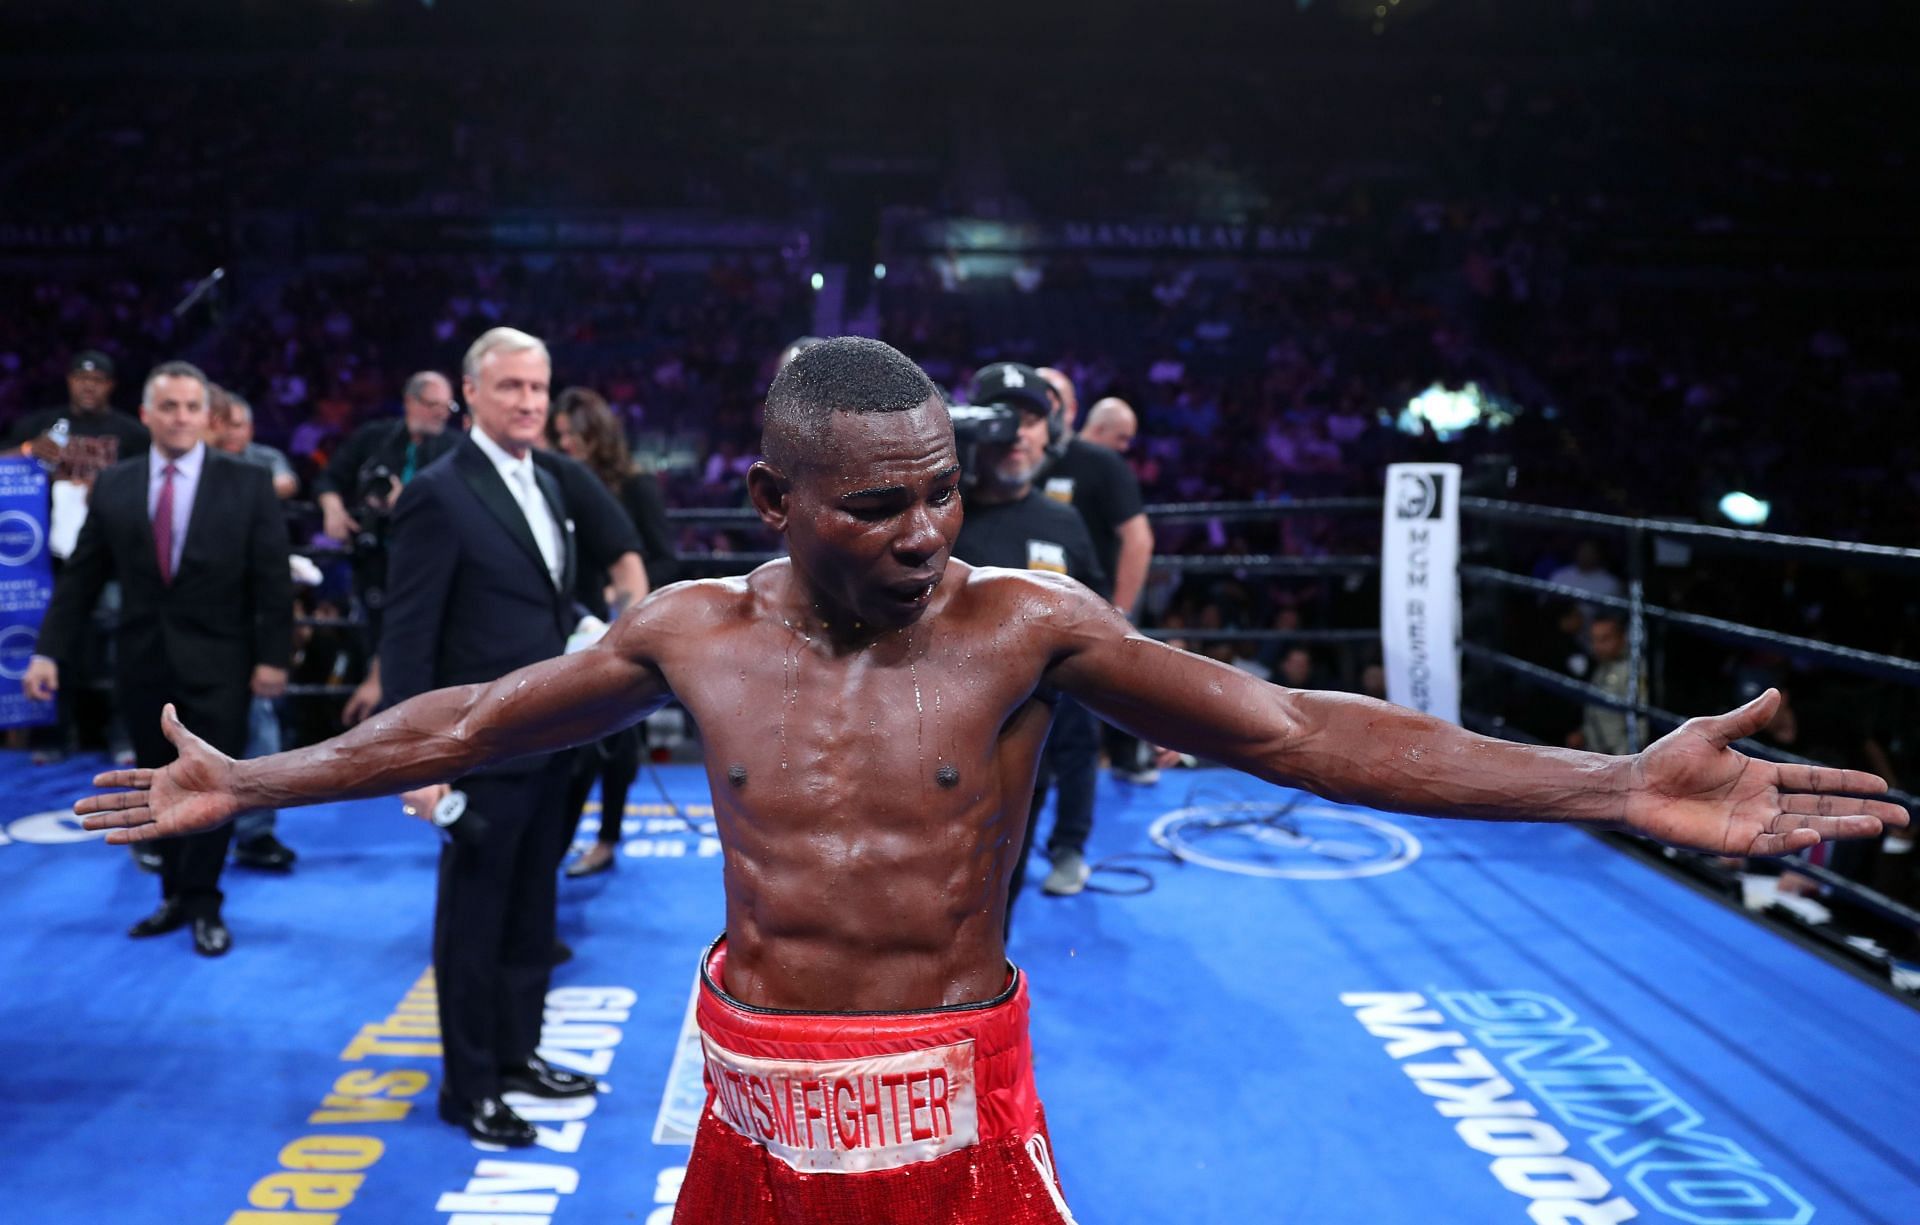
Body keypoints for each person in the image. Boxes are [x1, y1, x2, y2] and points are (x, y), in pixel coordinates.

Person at [76, 338, 1906, 1225]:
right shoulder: (696, 633)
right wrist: (259, 783)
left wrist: (1600, 788)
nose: (932, 530)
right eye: (880, 506)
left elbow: (1297, 729)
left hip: (959, 1090)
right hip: (757, 1092)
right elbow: (467, 721)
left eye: (946, 488)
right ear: (774, 507)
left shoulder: (1023, 626)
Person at [374, 328, 640, 1146]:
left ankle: (519, 1055)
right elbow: (409, 636)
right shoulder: (440, 492)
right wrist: (417, 763)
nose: (528, 402)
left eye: (538, 388)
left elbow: (551, 597)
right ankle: (472, 1084)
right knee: (474, 924)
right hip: (475, 749)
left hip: (551, 740)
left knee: (533, 911)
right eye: (511, 388)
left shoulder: (550, 480)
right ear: (472, 394)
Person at [30, 359, 291, 956]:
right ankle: (174, 895)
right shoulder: (117, 484)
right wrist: (48, 652)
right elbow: (82, 580)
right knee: (156, 785)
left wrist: (273, 660)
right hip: (144, 665)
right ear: (147, 415)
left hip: (223, 665)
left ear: (207, 416)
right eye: (168, 407)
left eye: (191, 407)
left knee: (214, 789)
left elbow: (272, 582)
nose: (180, 417)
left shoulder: (246, 482)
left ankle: (204, 900)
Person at [956, 363, 1109, 909]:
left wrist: (1160, 711)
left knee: (1000, 900)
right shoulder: (935, 515)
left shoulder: (1063, 524)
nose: (1018, 433)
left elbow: (1105, 630)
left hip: (1027, 746)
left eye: (1032, 419)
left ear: (1049, 432)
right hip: (933, 745)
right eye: (1003, 418)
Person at [548, 386, 676, 878]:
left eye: (570, 435)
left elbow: (664, 557)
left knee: (616, 742)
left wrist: (622, 593)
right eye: (557, 437)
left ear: (593, 434)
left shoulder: (633, 487)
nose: (564, 446)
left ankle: (605, 839)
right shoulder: (555, 483)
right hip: (569, 629)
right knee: (569, 743)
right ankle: (557, 844)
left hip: (627, 625)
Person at [5, 350, 150, 770]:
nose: (88, 386)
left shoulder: (130, 432)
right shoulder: (39, 426)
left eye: (98, 380)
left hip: (113, 556)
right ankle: (52, 735)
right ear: (69, 381)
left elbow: (149, 480)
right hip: (45, 558)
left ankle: (123, 733)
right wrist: (31, 449)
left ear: (110, 386)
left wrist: (106, 489)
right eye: (81, 379)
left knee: (120, 650)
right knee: (52, 646)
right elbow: (4, 470)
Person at [311, 370, 462, 728]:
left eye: (448, 406)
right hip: (373, 564)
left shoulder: (457, 448)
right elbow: (329, 478)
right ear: (410, 402)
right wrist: (333, 508)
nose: (442, 413)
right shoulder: (374, 438)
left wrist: (407, 505)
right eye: (433, 404)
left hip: (431, 570)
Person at [1035, 368, 1158, 791]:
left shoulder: (1100, 464)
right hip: (1023, 613)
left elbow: (1137, 538)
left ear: (1071, 409)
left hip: (1087, 609)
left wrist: (1119, 611)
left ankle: (1069, 844)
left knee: (1078, 728)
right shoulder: (1013, 459)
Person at [206, 387, 301, 871]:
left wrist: (273, 655)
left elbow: (285, 483)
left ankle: (256, 834)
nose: (229, 431)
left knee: (259, 729)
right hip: (186, 629)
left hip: (244, 623)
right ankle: (163, 836)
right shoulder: (175, 473)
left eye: (237, 422)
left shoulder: (257, 470)